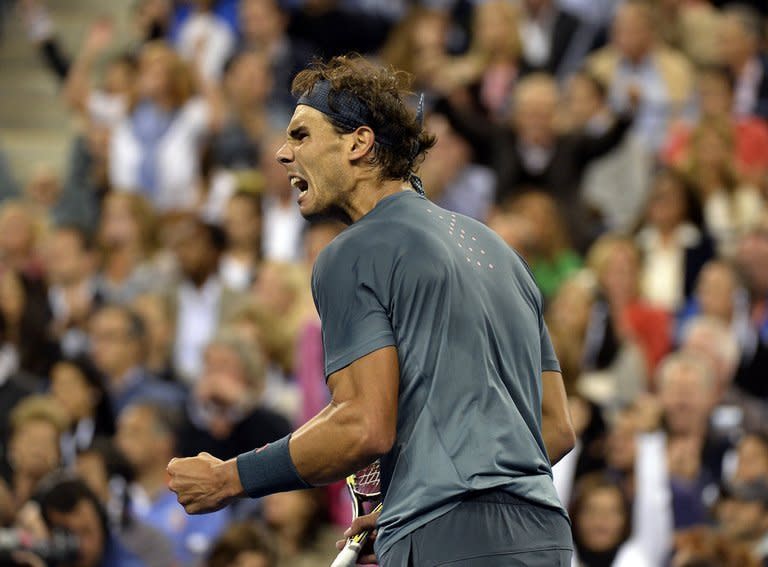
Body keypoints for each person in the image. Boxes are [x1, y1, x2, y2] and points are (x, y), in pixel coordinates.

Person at [167, 54, 575, 566]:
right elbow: (554, 428)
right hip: (547, 538)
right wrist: (416, 496)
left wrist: (230, 478)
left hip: (452, 543)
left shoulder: (353, 251)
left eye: (300, 136)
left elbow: (364, 425)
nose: (281, 153)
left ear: (358, 144)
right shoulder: (499, 250)